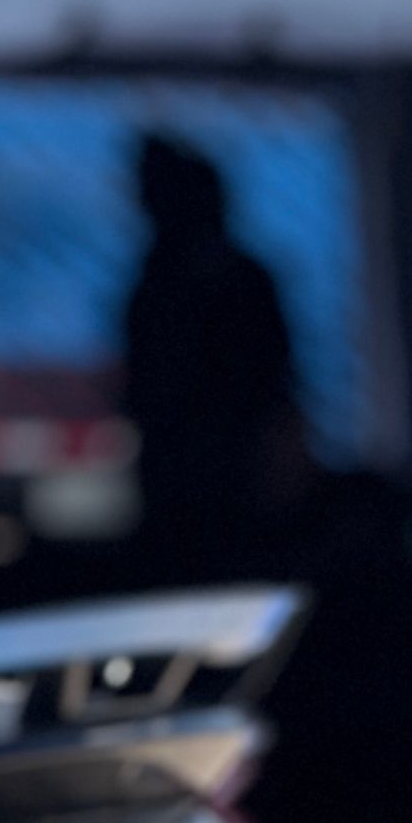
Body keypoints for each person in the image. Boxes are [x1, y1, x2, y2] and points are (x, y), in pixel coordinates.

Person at [121, 132, 307, 592]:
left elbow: (274, 386)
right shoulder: (156, 287)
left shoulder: (233, 284)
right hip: (178, 484)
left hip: (234, 482)